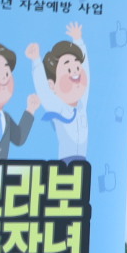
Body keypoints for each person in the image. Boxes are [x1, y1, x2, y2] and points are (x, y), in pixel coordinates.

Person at [27, 22, 89, 162]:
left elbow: (86, 73)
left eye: (77, 68)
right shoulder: (59, 108)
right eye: (68, 69)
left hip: (83, 166)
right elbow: (43, 90)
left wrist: (78, 41)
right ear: (52, 85)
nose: (75, 71)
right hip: (65, 166)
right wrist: (36, 60)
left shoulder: (81, 105)